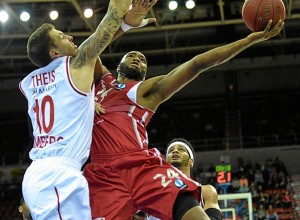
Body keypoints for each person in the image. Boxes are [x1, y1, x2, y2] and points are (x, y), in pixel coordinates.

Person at [83, 19, 284, 220]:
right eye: (132, 56)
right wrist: (124, 23)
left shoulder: (145, 91)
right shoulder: (102, 82)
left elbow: (197, 64)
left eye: (142, 60)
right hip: (102, 174)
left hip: (138, 165)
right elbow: (90, 48)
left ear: (145, 75)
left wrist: (249, 39)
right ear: (118, 66)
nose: (137, 59)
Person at [19, 0, 157, 219]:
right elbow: (110, 20)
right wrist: (124, 17)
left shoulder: (32, 82)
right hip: (57, 174)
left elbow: (88, 57)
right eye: (62, 36)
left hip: (49, 172)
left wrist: (82, 104)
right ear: (54, 52)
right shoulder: (73, 68)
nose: (71, 37)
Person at [146, 138, 222, 220]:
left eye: (181, 149)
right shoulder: (153, 189)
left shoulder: (206, 191)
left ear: (191, 161)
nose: (175, 151)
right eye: (171, 150)